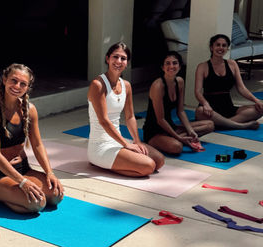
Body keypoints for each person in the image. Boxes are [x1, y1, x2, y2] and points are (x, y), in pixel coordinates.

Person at [0, 63, 64, 213]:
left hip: (23, 168)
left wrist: (49, 172)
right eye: (13, 80)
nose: (17, 86)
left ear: (27, 87)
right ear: (4, 79)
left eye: (23, 84)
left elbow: (38, 145)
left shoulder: (29, 109)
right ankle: (2, 196)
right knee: (37, 203)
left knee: (56, 195)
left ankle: (18, 194)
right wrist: (22, 182)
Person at [87, 42, 164, 177]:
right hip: (101, 145)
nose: (118, 61)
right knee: (149, 166)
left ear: (127, 62)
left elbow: (130, 117)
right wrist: (126, 144)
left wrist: (137, 141)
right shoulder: (98, 84)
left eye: (123, 58)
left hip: (118, 141)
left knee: (159, 161)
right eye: (115, 57)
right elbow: (104, 121)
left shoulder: (126, 85)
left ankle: (113, 162)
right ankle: (99, 162)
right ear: (107, 59)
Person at [143, 51, 214, 154]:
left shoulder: (180, 82)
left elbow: (180, 111)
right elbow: (160, 120)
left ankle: (185, 136)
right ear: (162, 67)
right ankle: (179, 138)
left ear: (180, 66)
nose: (171, 66)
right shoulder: (158, 86)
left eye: (175, 63)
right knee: (177, 147)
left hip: (171, 126)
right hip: (155, 131)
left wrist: (190, 130)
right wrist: (178, 138)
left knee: (210, 125)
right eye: (167, 63)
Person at [195, 34, 263, 129]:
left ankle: (223, 124)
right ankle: (239, 125)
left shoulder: (232, 64)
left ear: (227, 49)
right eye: (218, 45)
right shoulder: (202, 66)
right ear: (211, 47)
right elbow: (198, 91)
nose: (221, 48)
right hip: (210, 109)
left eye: (224, 45)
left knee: (261, 109)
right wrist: (205, 104)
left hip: (228, 107)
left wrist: (256, 100)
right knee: (200, 111)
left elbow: (241, 88)